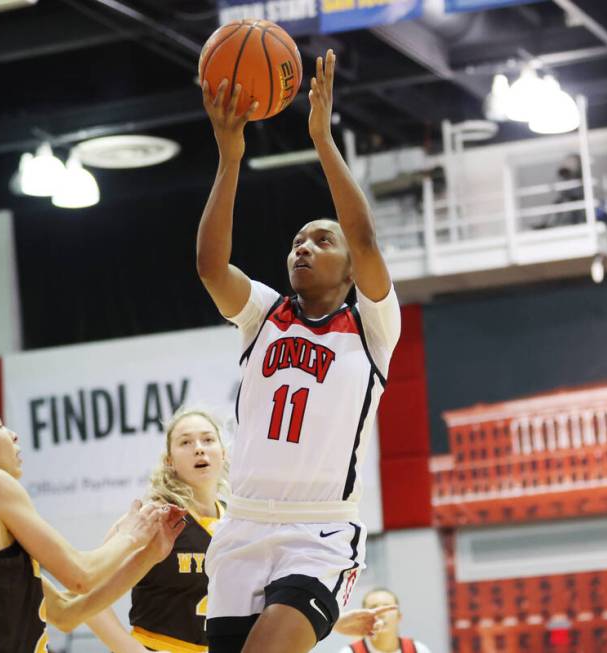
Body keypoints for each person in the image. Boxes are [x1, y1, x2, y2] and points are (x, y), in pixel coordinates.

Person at [195, 50, 400, 653]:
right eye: (296, 242)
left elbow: (362, 235)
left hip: (321, 529)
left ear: (348, 264)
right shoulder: (263, 314)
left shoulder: (371, 326)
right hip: (243, 523)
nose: (303, 249)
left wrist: (322, 138)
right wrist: (230, 158)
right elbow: (210, 266)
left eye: (321, 240)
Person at [0, 395, 187, 653]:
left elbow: (67, 614)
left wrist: (149, 556)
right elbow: (81, 574)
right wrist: (131, 536)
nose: (13, 434)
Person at [86, 409, 228, 652]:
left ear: (223, 454)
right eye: (185, 442)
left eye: (207, 439)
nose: (199, 448)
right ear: (169, 461)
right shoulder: (153, 517)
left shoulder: (237, 521)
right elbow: (86, 593)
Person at [337, 588, 431, 653]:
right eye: (373, 608)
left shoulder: (418, 649)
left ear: (399, 616)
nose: (381, 613)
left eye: (387, 607)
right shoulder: (349, 652)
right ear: (363, 617)